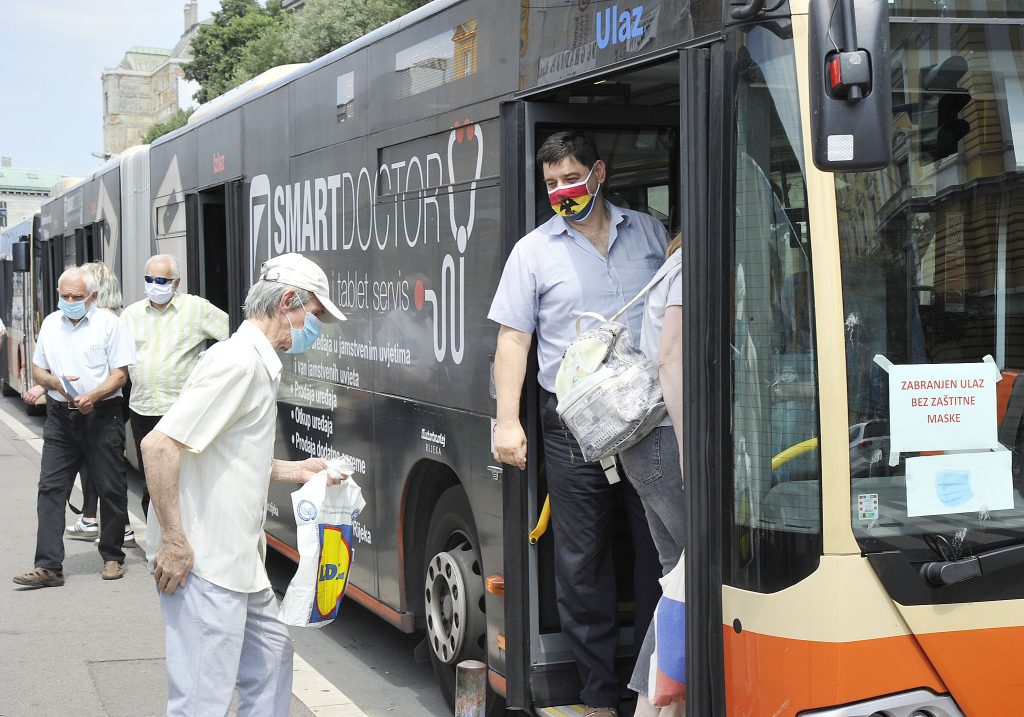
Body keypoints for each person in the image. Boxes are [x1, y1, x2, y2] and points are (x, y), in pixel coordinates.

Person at [489, 130, 668, 717]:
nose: (562, 191)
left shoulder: (647, 231)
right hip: (573, 425)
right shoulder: (534, 251)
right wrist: (506, 421)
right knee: (583, 558)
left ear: (598, 172)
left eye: (571, 178)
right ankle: (597, 697)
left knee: (659, 550)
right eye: (551, 184)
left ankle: (653, 685)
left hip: (650, 416)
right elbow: (514, 339)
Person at [141, 253, 346, 716]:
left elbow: (225, 453)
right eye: (312, 315)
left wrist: (296, 471)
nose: (314, 329)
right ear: (288, 301)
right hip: (205, 561)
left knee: (271, 665)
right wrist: (174, 541)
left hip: (239, 561)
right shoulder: (237, 362)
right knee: (202, 698)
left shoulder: (256, 361)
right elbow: (159, 447)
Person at [12, 266, 136, 587]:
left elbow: (120, 375)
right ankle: (48, 565)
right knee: (51, 488)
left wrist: (93, 395)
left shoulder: (110, 325)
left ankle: (112, 556)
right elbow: (39, 371)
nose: (69, 301)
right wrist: (54, 382)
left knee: (110, 487)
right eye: (64, 296)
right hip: (60, 417)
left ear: (93, 297)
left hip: (102, 414)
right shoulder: (52, 324)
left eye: (76, 297)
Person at [619, 236, 683, 717]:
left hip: (643, 444)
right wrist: (689, 446)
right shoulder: (688, 268)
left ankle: (651, 706)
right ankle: (656, 705)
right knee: (698, 573)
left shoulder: (670, 265)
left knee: (677, 578)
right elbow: (670, 359)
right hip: (666, 440)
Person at [120, 253, 228, 523]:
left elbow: (233, 336)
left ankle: (188, 541)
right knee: (152, 480)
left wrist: (211, 371)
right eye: (149, 279)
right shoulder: (131, 315)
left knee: (185, 479)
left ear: (176, 282)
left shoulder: (196, 309)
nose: (154, 285)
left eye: (161, 280)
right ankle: (157, 548)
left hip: (182, 410)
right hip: (143, 409)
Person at [61, 261, 135, 546]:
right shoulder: (125, 314)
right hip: (123, 396)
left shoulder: (99, 321)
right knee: (105, 462)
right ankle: (93, 519)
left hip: (100, 398)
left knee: (101, 463)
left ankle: (114, 525)